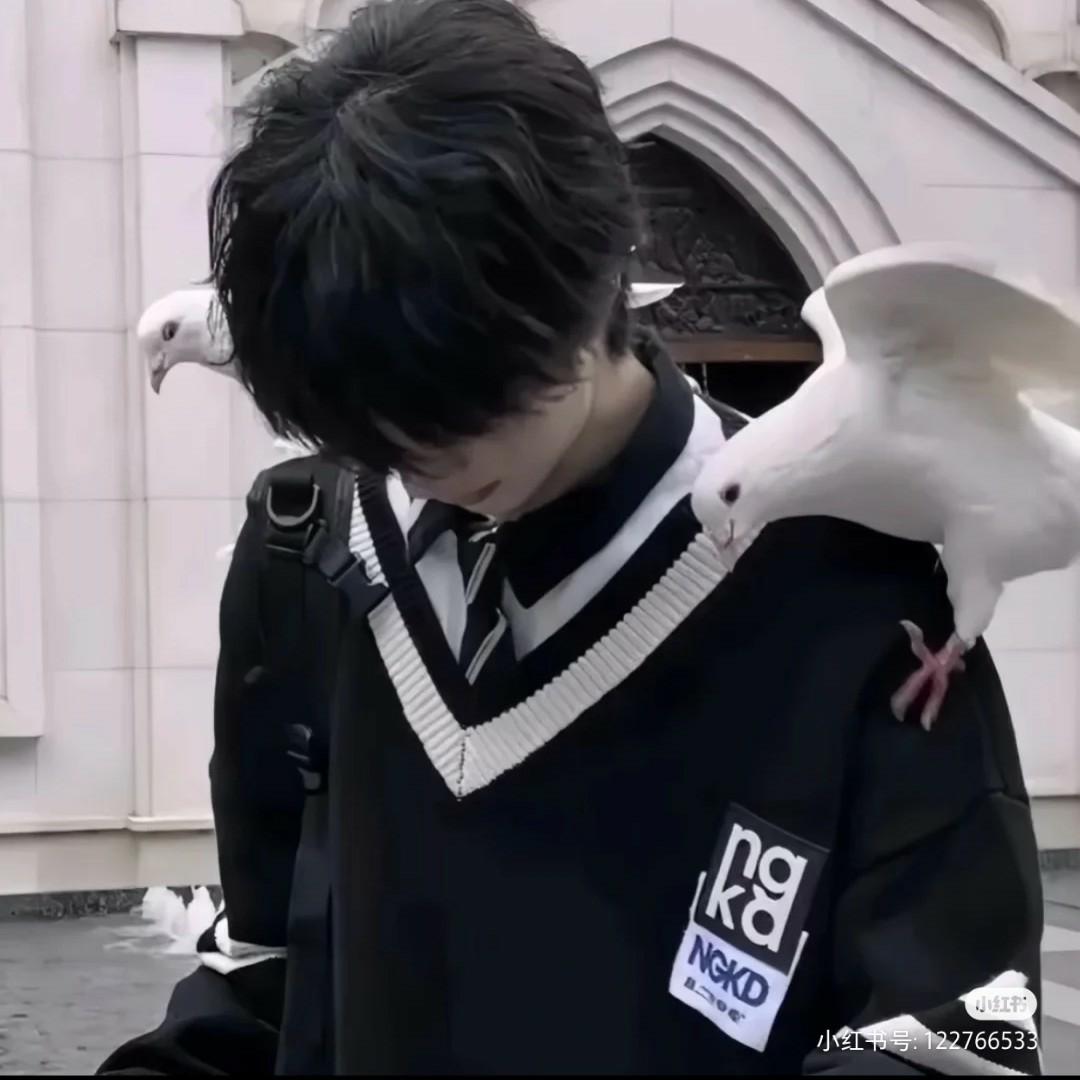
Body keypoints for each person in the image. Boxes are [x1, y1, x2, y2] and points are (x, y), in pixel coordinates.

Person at [100, 0, 1043, 1074]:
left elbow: (957, 1035)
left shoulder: (858, 594)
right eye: (365, 422)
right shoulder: (308, 547)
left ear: (598, 278)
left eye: (457, 401)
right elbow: (267, 977)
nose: (418, 460)